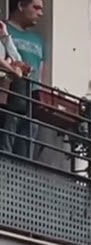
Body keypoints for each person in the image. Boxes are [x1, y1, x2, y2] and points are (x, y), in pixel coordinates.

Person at [0, 0, 43, 159]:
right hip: (8, 95)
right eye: (36, 7)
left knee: (25, 146)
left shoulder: (38, 40)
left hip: (30, 97)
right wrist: (13, 69)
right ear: (20, 6)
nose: (40, 13)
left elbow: (38, 69)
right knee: (7, 137)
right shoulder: (4, 27)